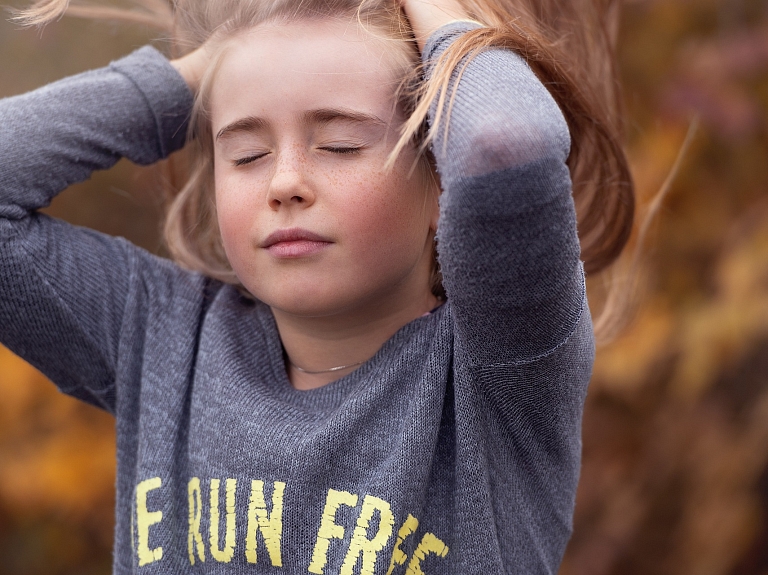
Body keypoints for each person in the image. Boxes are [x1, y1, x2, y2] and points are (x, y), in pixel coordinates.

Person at [0, 0, 634, 572]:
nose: (285, 183)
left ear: (443, 180)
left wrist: (437, 11)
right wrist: (208, 73)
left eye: (338, 144)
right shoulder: (159, 337)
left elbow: (509, 144)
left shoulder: (500, 373)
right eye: (246, 154)